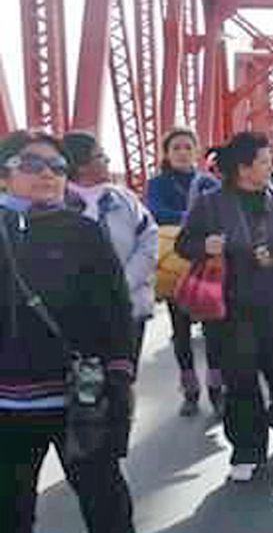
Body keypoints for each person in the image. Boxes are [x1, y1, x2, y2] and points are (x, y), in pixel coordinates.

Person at [0, 130, 135, 533]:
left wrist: (119, 373)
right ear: (4, 174)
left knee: (105, 502)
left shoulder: (83, 232)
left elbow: (116, 309)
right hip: (7, 405)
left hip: (80, 397)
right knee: (9, 510)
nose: (47, 174)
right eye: (32, 164)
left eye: (58, 167)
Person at [176, 132, 273, 482]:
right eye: (265, 161)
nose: (272, 167)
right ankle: (246, 449)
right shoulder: (210, 204)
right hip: (232, 306)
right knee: (240, 378)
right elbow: (183, 244)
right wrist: (204, 245)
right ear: (243, 168)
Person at [63, 132, 158, 374]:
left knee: (124, 379)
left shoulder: (124, 198)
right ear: (81, 165)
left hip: (129, 306)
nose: (107, 161)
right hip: (80, 312)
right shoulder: (57, 204)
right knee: (86, 383)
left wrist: (123, 284)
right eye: (100, 156)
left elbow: (149, 238)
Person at [145, 127, 224, 416]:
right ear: (166, 153)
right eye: (176, 147)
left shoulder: (208, 182)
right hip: (176, 265)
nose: (182, 152)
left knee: (214, 329)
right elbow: (155, 211)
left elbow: (221, 212)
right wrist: (194, 220)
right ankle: (190, 389)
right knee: (180, 331)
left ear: (196, 151)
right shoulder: (158, 184)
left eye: (187, 147)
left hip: (206, 263)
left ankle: (216, 386)